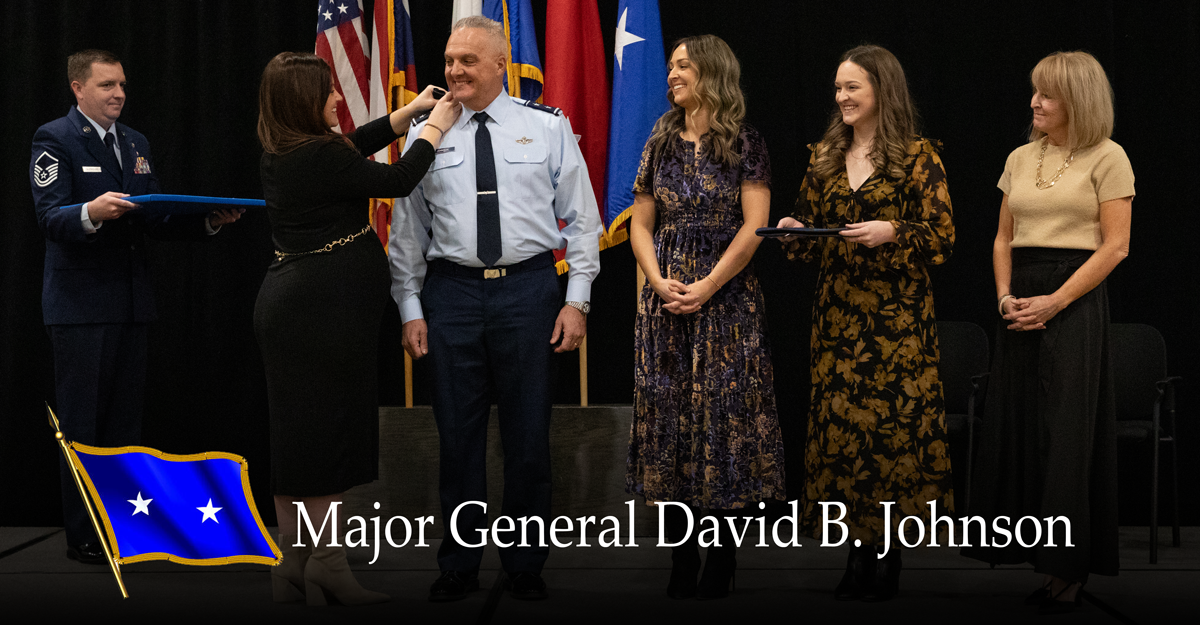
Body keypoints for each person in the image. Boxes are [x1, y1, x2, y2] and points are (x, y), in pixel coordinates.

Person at [390, 16, 602, 603]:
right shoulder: (425, 136)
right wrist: (410, 307)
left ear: (500, 65)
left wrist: (576, 300)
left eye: (468, 61)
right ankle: (458, 563)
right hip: (451, 295)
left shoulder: (547, 127)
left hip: (529, 292)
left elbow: (583, 222)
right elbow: (406, 233)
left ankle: (526, 563)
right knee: (456, 439)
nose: (454, 70)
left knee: (528, 435)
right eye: (449, 59)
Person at [254, 51, 461, 606]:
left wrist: (405, 114)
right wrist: (434, 128)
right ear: (304, 101)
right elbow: (395, 179)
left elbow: (351, 148)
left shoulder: (290, 148)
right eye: (327, 93)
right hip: (318, 310)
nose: (338, 98)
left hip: (304, 307)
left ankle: (293, 563)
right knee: (324, 433)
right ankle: (327, 565)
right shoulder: (317, 154)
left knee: (300, 435)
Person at [30, 49, 242, 565]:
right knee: (81, 428)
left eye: (122, 84)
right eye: (106, 86)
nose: (119, 94)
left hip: (131, 305)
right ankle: (84, 535)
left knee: (124, 430)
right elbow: (48, 218)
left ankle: (123, 531)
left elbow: (154, 217)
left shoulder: (135, 143)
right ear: (78, 89)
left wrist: (208, 222)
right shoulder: (53, 139)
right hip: (81, 306)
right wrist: (89, 211)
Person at [776, 44, 954, 602]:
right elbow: (808, 241)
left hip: (896, 324)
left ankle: (888, 554)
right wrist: (793, 231)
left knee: (890, 438)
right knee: (844, 441)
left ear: (882, 89)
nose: (842, 97)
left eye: (852, 87)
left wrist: (893, 230)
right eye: (837, 88)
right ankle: (856, 553)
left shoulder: (918, 156)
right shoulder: (825, 154)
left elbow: (943, 238)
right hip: (837, 321)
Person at [961, 51, 1131, 615]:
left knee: (1065, 439)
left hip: (1073, 299)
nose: (1035, 103)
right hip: (1022, 299)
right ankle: (1041, 562)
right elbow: (1003, 238)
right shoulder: (1018, 157)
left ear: (1077, 101)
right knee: (1021, 430)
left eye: (1048, 95)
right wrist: (1006, 297)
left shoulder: (1109, 158)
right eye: (1035, 92)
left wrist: (1056, 301)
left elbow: (1116, 246)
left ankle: (1069, 572)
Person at [625, 34, 784, 601]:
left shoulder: (745, 142)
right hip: (665, 298)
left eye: (683, 65)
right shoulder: (661, 139)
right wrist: (656, 278)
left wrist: (709, 285)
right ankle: (681, 556)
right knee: (672, 424)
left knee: (721, 423)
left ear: (711, 72)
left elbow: (756, 226)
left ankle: (721, 558)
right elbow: (640, 222)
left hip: (727, 300)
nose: (672, 73)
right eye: (670, 65)